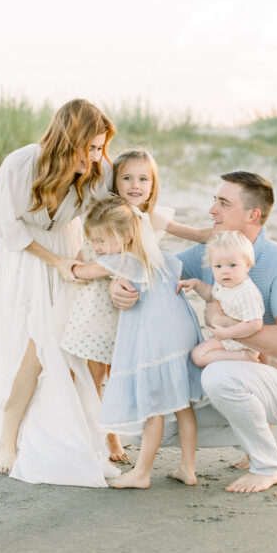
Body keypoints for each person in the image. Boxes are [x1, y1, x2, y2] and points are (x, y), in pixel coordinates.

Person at [111, 171, 277, 493]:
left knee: (218, 377)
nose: (212, 211)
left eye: (223, 203)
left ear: (252, 215)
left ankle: (269, 466)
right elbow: (156, 272)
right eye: (214, 201)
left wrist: (224, 325)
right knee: (145, 425)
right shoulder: (210, 254)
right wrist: (118, 283)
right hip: (241, 371)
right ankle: (253, 428)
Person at [0, 98, 120, 487]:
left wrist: (82, 262)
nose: (95, 157)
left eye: (99, 148)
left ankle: (65, 429)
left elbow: (112, 218)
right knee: (32, 343)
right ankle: (7, 439)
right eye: (89, 147)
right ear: (67, 139)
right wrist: (55, 262)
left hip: (70, 253)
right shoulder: (22, 163)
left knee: (55, 346)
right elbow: (4, 224)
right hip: (24, 257)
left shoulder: (98, 170)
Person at [60, 148, 205, 463]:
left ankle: (113, 435)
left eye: (143, 178)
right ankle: (100, 438)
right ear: (116, 181)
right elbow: (99, 255)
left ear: (153, 184)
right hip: (101, 304)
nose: (135, 185)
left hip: (139, 309)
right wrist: (88, 272)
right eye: (127, 178)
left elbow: (197, 235)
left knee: (119, 370)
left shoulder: (153, 216)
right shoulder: (109, 212)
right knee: (94, 373)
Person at [177, 230, 269, 366]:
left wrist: (226, 333)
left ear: (247, 265)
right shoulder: (225, 284)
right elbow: (211, 294)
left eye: (232, 265)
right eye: (218, 266)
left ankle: (244, 357)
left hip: (240, 342)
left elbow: (255, 324)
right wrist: (196, 284)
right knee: (196, 353)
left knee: (198, 356)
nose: (224, 270)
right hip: (227, 337)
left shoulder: (246, 293)